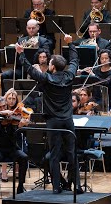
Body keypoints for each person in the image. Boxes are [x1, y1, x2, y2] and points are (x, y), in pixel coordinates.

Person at [27, 52, 82, 194]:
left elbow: (29, 69)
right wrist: (70, 45)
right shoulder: (69, 76)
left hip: (53, 121)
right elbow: (75, 60)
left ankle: (56, 187)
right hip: (68, 121)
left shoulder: (47, 78)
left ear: (53, 66)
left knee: (54, 154)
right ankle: (77, 185)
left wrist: (21, 54)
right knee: (72, 153)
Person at [0, 90, 30, 195]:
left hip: (12, 149)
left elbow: (16, 137)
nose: (3, 109)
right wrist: (0, 113)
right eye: (0, 107)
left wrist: (19, 127)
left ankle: (21, 186)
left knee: (24, 157)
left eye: (4, 107)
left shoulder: (12, 118)